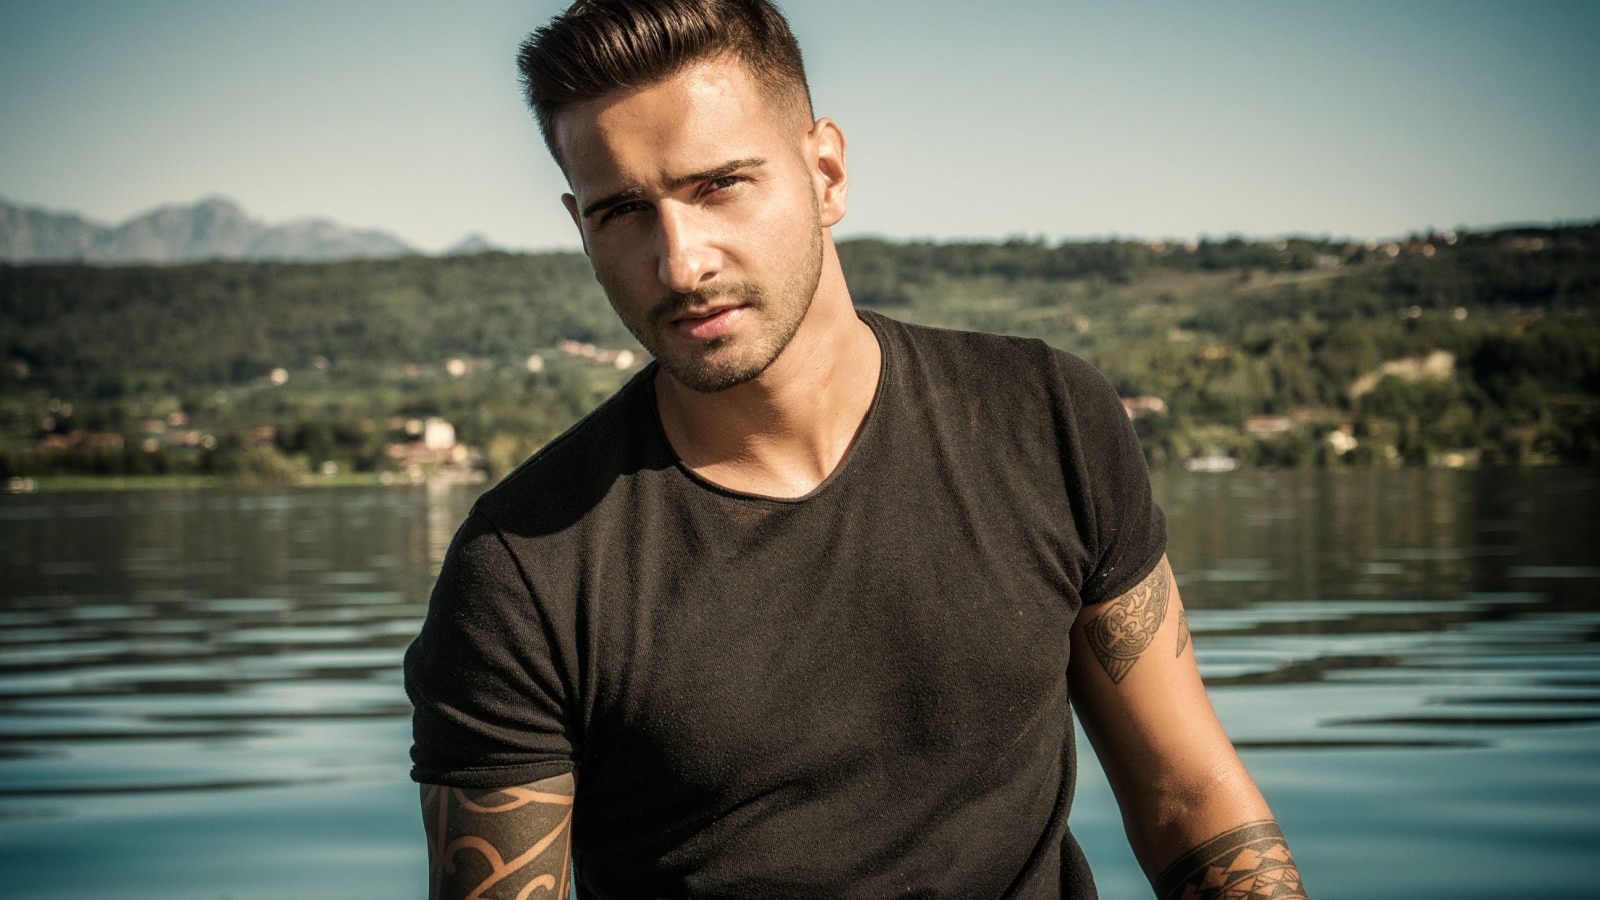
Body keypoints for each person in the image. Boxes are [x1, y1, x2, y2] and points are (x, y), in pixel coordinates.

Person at [404, 1, 1309, 898]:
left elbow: (1187, 796)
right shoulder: (524, 568)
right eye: (624, 212)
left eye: (719, 184)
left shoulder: (1048, 418)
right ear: (581, 227)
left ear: (826, 172)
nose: (680, 263)